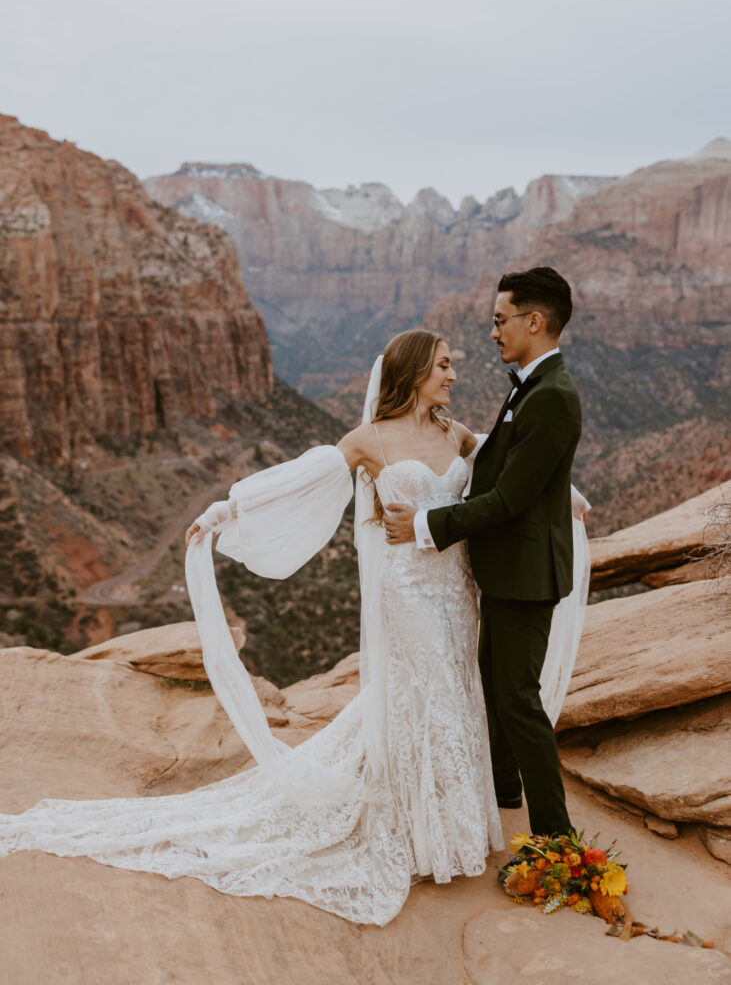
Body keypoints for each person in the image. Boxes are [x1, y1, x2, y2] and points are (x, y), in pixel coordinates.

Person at [0, 319, 589, 927]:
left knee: (456, 695)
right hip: (405, 591)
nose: (453, 374)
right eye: (443, 365)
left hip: (455, 589)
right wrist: (229, 507)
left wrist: (565, 495)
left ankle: (454, 827)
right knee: (429, 694)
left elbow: (519, 465)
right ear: (414, 372)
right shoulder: (370, 440)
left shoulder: (457, 433)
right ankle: (421, 834)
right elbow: (301, 475)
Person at [384, 267, 582, 837]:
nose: (493, 333)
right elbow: (508, 461)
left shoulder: (551, 397)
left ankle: (555, 837)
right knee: (495, 685)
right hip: (505, 572)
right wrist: (568, 491)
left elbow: (508, 500)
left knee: (517, 699)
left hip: (525, 577)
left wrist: (426, 523)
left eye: (501, 321)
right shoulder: (533, 388)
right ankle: (501, 786)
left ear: (534, 322)